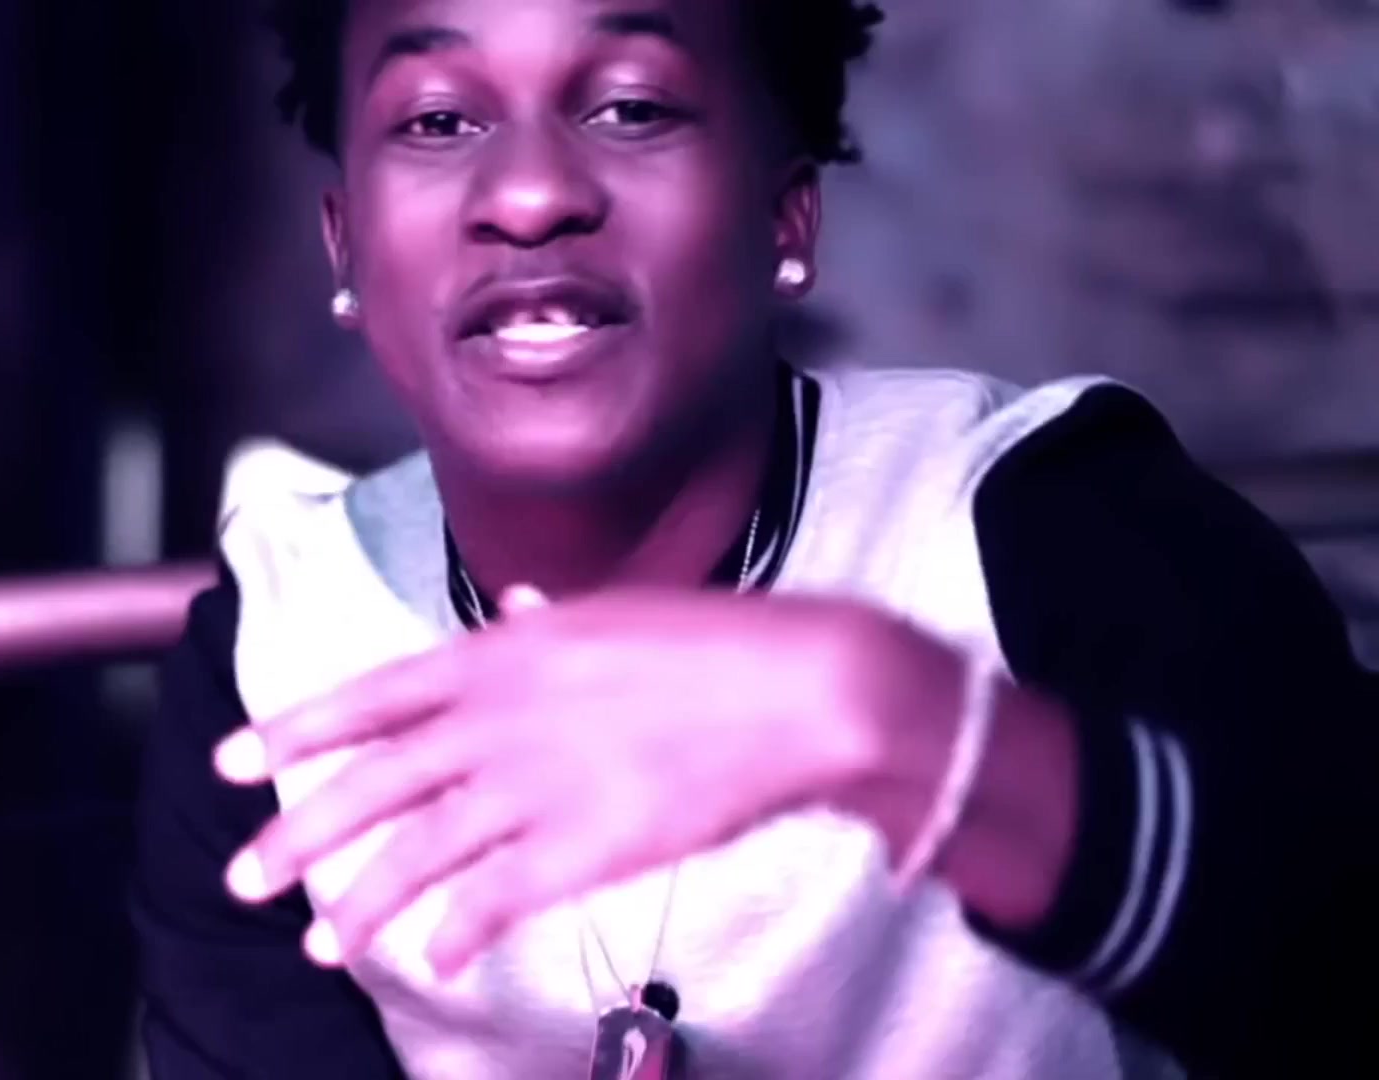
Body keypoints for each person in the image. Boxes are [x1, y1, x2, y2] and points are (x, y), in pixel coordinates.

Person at [132, 0, 1375, 1076]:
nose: (529, 195)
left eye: (631, 107)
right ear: (347, 246)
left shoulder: (1050, 520)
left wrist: (920, 733)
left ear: (787, 219)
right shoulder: (272, 661)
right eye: (439, 119)